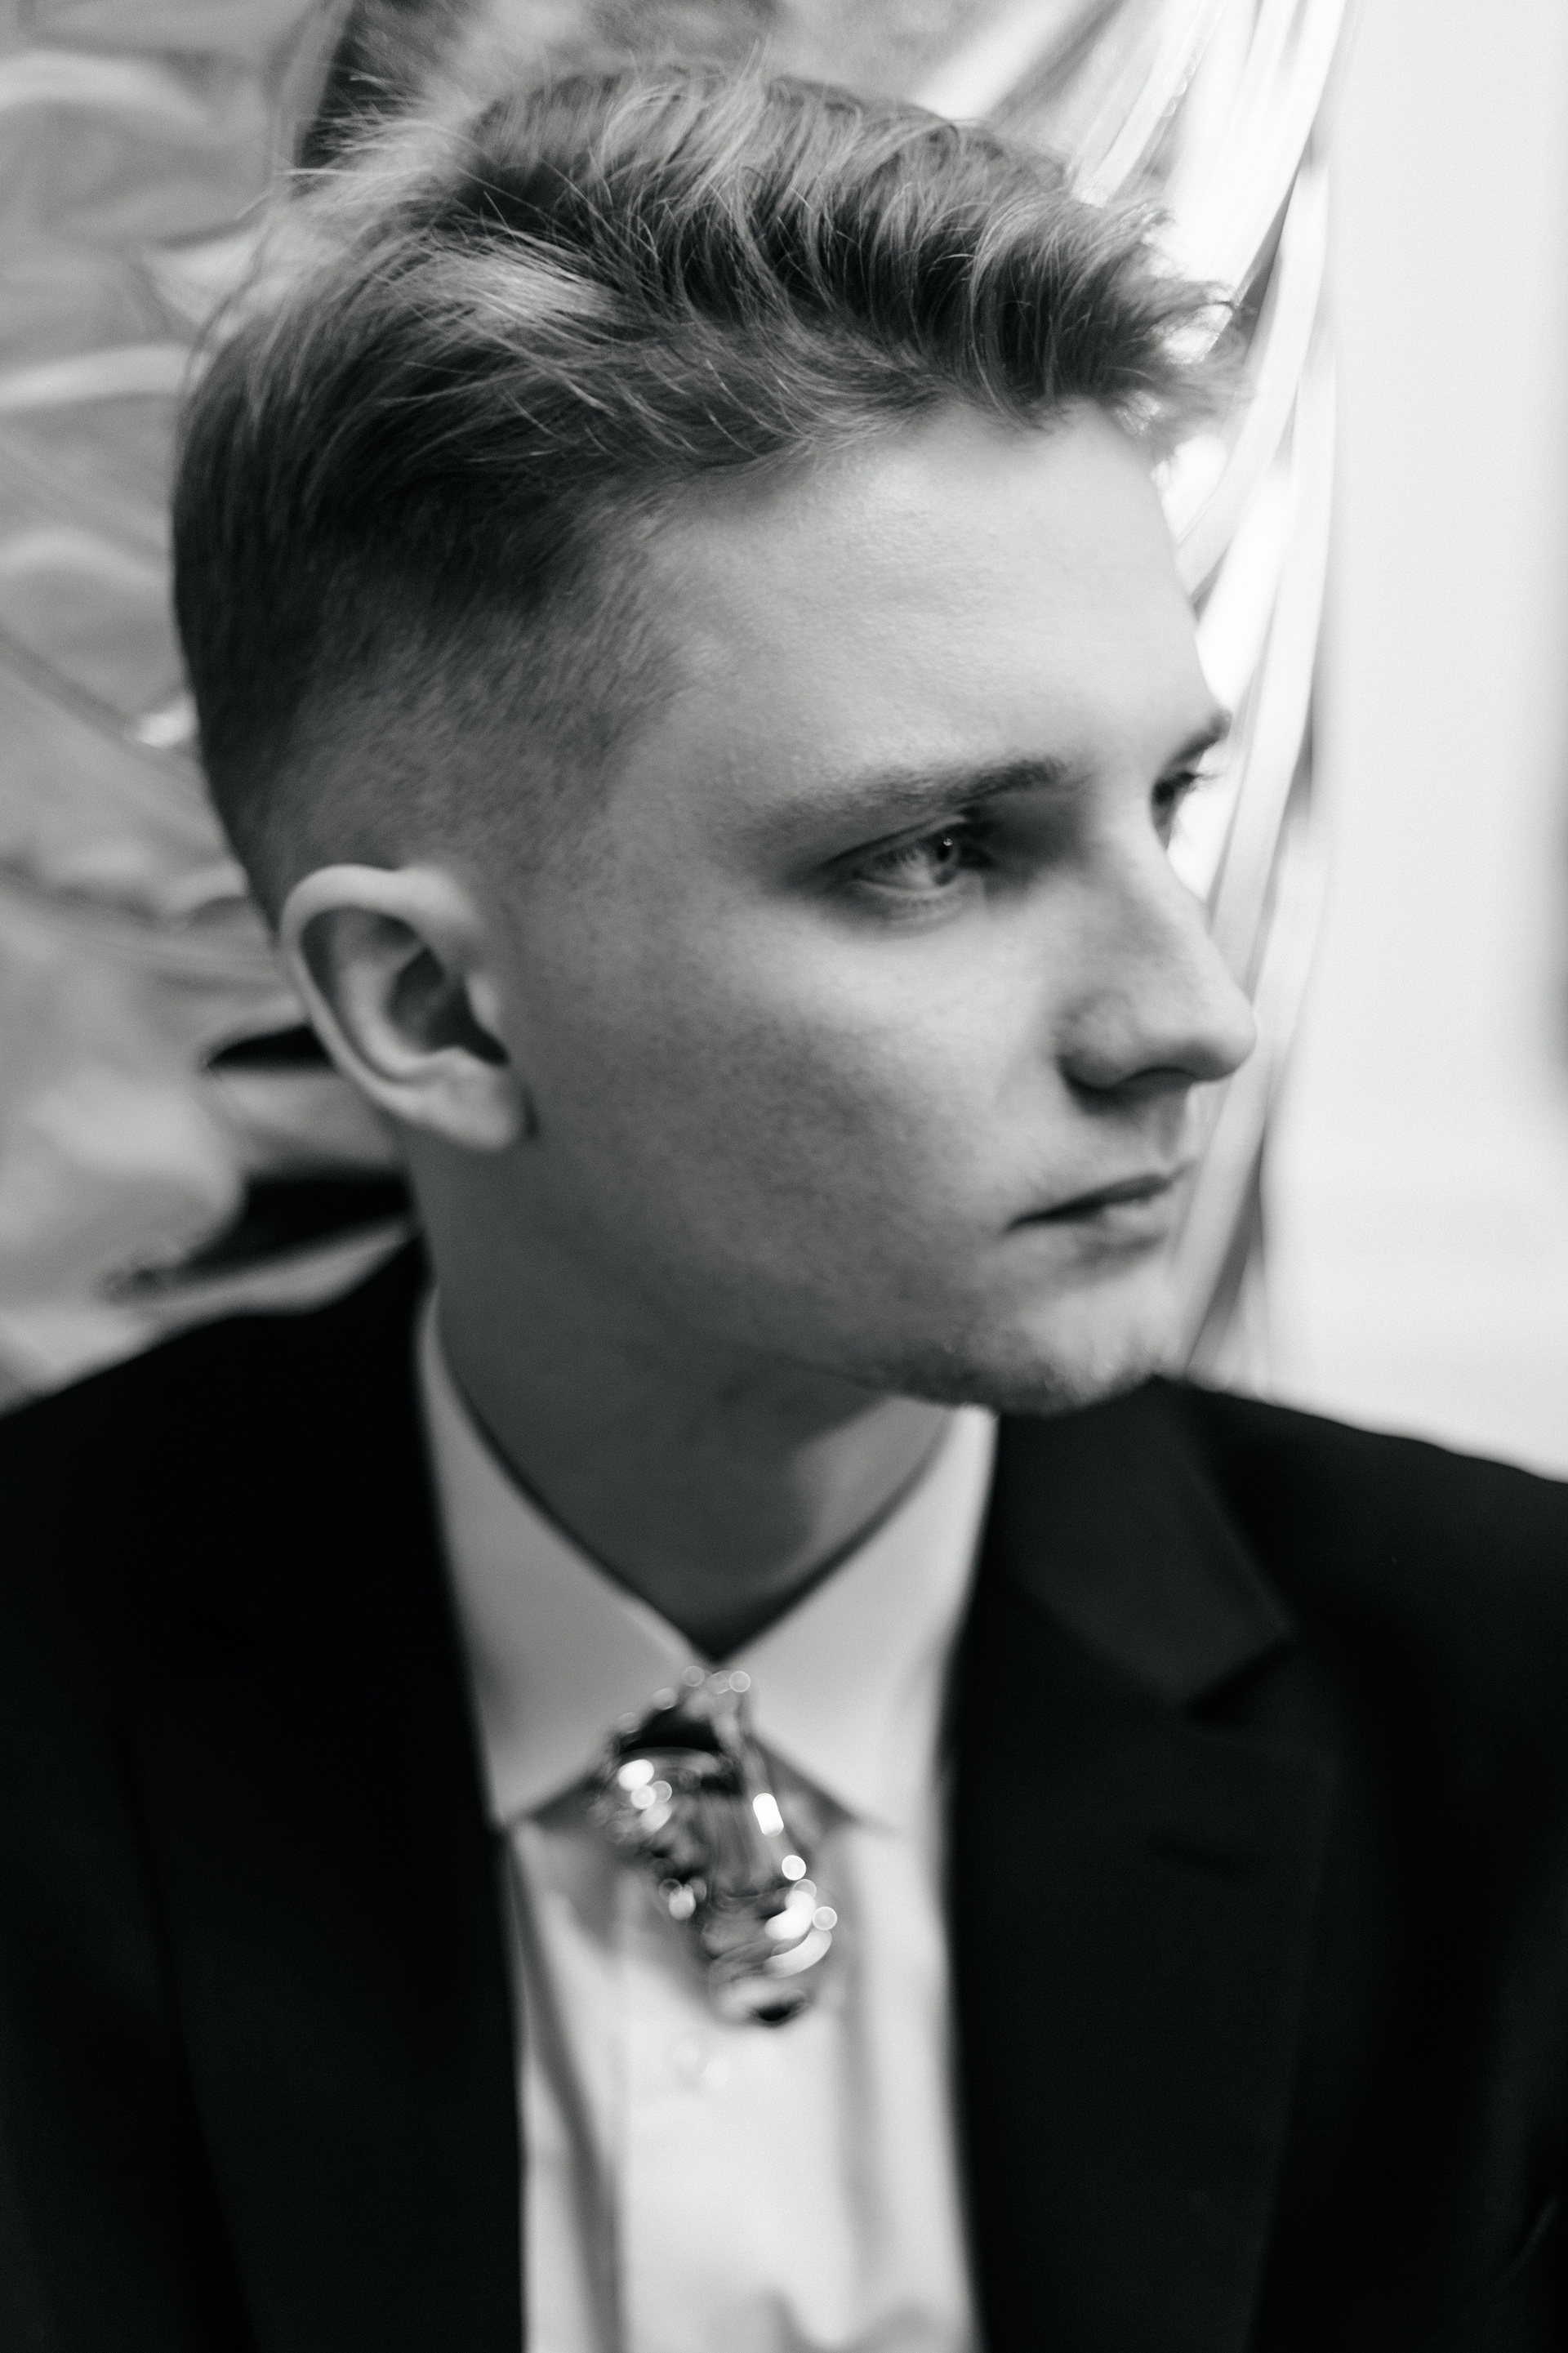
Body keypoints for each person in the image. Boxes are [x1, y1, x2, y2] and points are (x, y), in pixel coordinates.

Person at [2, 63, 1565, 2353]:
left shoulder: (1526, 1736)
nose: (1192, 1013)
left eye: (1166, 800)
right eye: (938, 853)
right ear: (432, 1005)